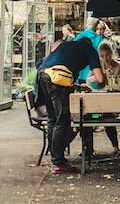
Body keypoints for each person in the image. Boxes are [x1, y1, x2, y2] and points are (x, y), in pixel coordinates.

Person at [34, 29, 105, 175]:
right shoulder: (89, 49)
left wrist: (77, 87)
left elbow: (56, 66)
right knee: (62, 121)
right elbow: (100, 79)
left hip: (42, 76)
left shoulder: (66, 46)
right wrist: (104, 83)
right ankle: (58, 163)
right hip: (57, 78)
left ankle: (56, 160)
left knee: (53, 120)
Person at [82, 41, 120, 159]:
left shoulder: (119, 67)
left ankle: (115, 147)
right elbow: (88, 80)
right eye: (102, 56)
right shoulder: (97, 65)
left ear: (111, 54)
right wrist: (99, 75)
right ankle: (88, 148)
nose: (105, 58)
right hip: (97, 101)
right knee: (88, 116)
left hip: (113, 102)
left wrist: (114, 79)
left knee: (108, 116)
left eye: (107, 55)